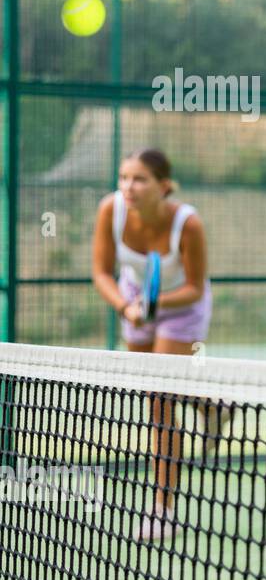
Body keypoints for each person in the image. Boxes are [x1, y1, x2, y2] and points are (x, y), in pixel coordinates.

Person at [91, 148, 224, 542]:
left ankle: (163, 510)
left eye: (140, 179)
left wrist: (152, 305)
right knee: (156, 394)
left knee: (160, 398)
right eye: (124, 177)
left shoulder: (189, 224)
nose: (129, 187)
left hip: (182, 305)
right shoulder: (110, 211)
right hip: (133, 299)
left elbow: (194, 287)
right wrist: (126, 306)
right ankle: (215, 406)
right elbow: (100, 272)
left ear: (163, 186)